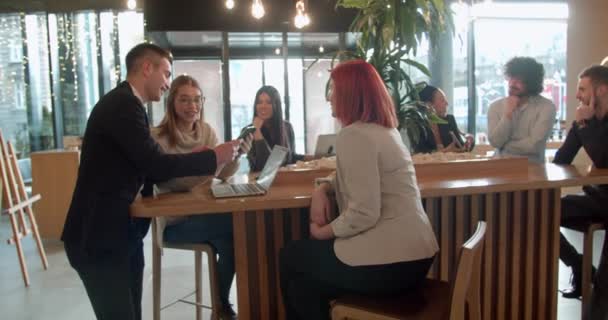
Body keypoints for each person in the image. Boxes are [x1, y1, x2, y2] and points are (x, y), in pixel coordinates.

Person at [61, 43, 239, 320]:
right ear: (147, 68)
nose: (167, 83)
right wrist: (213, 157)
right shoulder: (123, 105)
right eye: (166, 74)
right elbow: (156, 165)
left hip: (120, 234)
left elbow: (147, 165)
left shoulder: (129, 105)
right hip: (98, 237)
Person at [279, 60, 439, 320]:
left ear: (349, 95)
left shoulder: (355, 135)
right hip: (417, 258)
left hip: (391, 263)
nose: (330, 97)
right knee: (303, 286)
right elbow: (353, 172)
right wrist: (323, 188)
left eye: (334, 90)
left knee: (291, 256)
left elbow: (365, 212)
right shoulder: (386, 131)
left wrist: (323, 232)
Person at [150, 75, 249, 318]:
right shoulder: (157, 137)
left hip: (204, 213)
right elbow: (175, 182)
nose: (192, 106)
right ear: (172, 102)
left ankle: (221, 306)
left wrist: (235, 157)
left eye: (197, 100)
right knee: (236, 224)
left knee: (230, 240)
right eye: (184, 100)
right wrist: (212, 162)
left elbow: (222, 175)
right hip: (173, 221)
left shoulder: (206, 131)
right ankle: (223, 305)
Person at [554, 65, 608, 319]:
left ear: (601, 90)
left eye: (582, 89)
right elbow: (561, 158)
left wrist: (586, 126)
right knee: (543, 214)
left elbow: (604, 158)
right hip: (597, 198)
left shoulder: (590, 124)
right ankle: (580, 266)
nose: (577, 96)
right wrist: (580, 127)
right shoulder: (585, 122)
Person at [487, 56, 557, 163]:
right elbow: (495, 142)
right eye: (511, 78)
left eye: (519, 80)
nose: (512, 83)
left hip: (533, 171)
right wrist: (508, 114)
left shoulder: (547, 107)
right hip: (499, 169)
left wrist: (504, 146)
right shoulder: (495, 107)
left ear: (532, 82)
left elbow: (534, 145)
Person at [244, 85, 309, 171]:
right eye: (259, 102)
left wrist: (317, 157)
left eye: (269, 102)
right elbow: (266, 168)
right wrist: (257, 132)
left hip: (284, 180)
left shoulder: (287, 127)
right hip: (259, 181)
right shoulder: (248, 131)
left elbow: (291, 157)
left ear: (276, 106)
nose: (263, 106)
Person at [417, 84, 474, 152]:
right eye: (442, 100)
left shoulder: (449, 120)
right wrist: (445, 151)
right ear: (429, 105)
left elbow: (461, 148)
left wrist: (469, 142)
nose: (447, 104)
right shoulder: (418, 127)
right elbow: (420, 155)